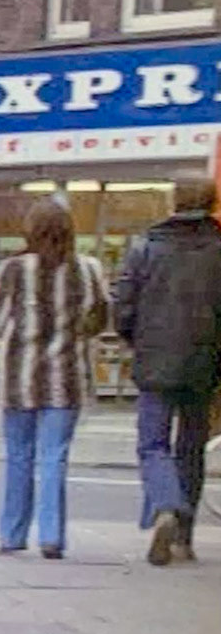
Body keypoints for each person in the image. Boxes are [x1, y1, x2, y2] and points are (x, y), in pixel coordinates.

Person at [0, 199, 110, 560]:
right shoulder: (89, 269)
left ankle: (12, 534)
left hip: (18, 377)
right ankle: (52, 536)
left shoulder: (11, 269)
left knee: (18, 456)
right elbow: (99, 321)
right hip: (66, 378)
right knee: (54, 457)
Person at [116, 178, 221, 566]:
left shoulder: (145, 249)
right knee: (191, 449)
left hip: (155, 359)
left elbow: (124, 306)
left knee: (153, 444)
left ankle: (163, 506)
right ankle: (184, 539)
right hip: (204, 363)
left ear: (173, 202)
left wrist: (136, 340)